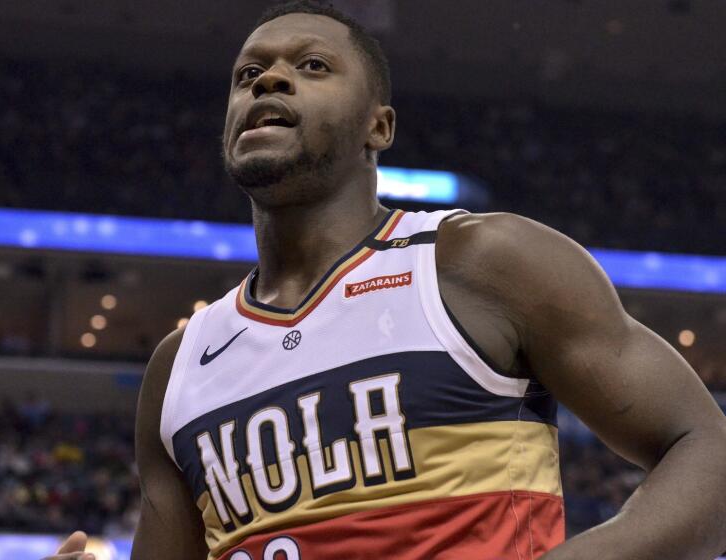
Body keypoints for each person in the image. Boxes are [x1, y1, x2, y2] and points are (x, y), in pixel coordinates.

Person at [45, 2, 726, 559]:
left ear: (380, 126)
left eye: (311, 66)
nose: (268, 81)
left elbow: (708, 453)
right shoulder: (179, 366)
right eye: (248, 73)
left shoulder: (481, 264)